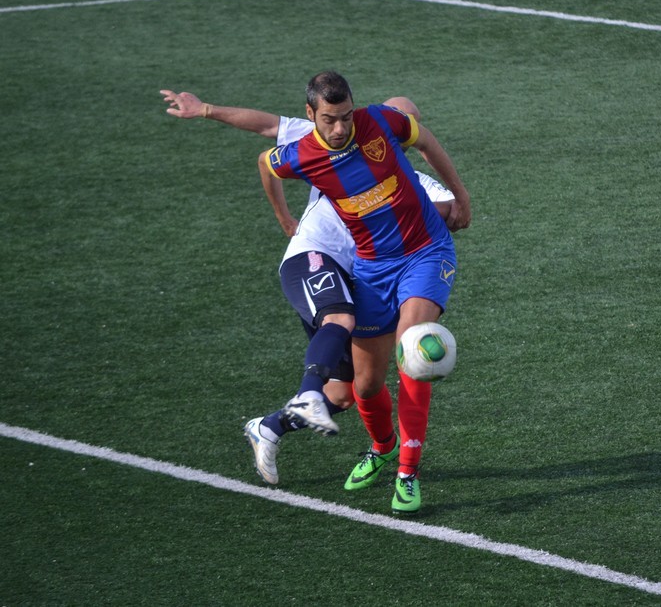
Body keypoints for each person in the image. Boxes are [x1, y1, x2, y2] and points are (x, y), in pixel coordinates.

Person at [160, 89, 455, 492]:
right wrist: (207, 110)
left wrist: (405, 206)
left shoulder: (415, 181)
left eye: (406, 125)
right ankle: (310, 396)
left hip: (360, 274)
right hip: (315, 255)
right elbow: (267, 127)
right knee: (339, 319)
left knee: (347, 393)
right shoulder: (330, 133)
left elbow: (450, 210)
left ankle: (269, 426)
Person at [262, 71, 470, 514]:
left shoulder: (380, 122)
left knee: (412, 350)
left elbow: (427, 141)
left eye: (346, 116)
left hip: (426, 253)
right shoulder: (301, 155)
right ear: (311, 115)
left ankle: (408, 473)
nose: (341, 127)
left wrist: (460, 195)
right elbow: (266, 164)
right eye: (330, 119)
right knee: (365, 382)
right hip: (372, 267)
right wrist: (283, 218)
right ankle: (382, 447)